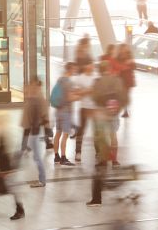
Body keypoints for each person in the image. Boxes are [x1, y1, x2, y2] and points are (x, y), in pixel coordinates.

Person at [87, 61, 127, 206]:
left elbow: (94, 98)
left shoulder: (98, 82)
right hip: (113, 114)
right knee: (114, 135)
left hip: (102, 118)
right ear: (109, 68)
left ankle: (98, 196)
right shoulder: (116, 80)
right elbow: (124, 98)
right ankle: (114, 160)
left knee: (100, 165)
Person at [22, 77, 49, 188]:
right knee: (35, 157)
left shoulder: (38, 99)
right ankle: (41, 180)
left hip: (35, 131)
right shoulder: (33, 98)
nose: (31, 87)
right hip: (33, 131)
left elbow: (43, 117)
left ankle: (42, 181)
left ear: (38, 86)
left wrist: (45, 129)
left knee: (37, 157)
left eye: (34, 85)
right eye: (31, 85)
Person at [53, 62, 78, 166]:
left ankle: (56, 156)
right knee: (65, 134)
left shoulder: (60, 80)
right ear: (70, 70)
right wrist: (80, 97)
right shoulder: (69, 82)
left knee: (58, 133)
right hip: (66, 111)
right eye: (74, 69)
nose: (75, 71)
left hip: (58, 110)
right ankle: (63, 157)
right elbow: (69, 98)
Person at [72, 63, 97, 162]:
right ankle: (78, 152)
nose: (91, 66)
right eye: (89, 64)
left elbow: (98, 90)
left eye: (92, 65)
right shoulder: (79, 78)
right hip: (84, 108)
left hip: (94, 108)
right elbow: (76, 92)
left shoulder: (96, 77)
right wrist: (88, 90)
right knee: (81, 131)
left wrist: (85, 91)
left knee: (97, 131)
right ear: (86, 66)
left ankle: (98, 152)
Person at [116, 44, 136, 118]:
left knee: (126, 95)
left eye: (125, 48)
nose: (124, 50)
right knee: (120, 95)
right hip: (120, 79)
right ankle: (121, 109)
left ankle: (125, 110)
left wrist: (129, 64)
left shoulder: (129, 55)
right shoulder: (118, 57)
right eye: (122, 48)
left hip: (128, 79)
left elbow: (134, 66)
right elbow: (116, 66)